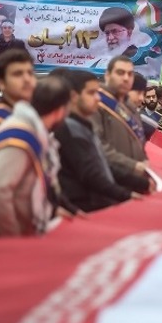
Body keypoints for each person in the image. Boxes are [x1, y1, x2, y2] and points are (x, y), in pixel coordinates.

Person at [0, 76, 71, 237]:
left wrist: (51, 212)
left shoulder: (32, 131)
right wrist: (13, 238)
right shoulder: (20, 136)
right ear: (60, 111)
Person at [53, 69, 143, 212]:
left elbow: (102, 165)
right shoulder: (68, 129)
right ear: (74, 96)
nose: (98, 98)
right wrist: (126, 195)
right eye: (91, 93)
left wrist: (140, 182)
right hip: (86, 209)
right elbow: (91, 175)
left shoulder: (84, 125)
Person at [91, 55, 153, 193]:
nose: (126, 78)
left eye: (130, 74)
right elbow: (97, 146)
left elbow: (139, 141)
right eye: (120, 72)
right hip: (109, 185)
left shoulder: (130, 106)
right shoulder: (96, 102)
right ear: (107, 75)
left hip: (133, 182)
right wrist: (132, 165)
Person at [0, 49, 36, 145]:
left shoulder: (29, 113)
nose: (27, 79)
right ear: (1, 83)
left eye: (30, 73)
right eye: (18, 74)